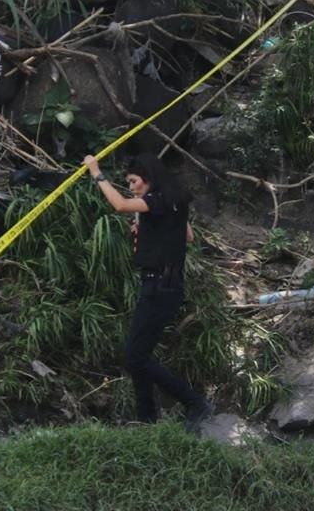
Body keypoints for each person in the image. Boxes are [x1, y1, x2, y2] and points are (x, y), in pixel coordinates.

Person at [83, 152, 213, 431]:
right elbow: (187, 236)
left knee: (135, 357)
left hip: (159, 288)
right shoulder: (173, 201)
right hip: (165, 287)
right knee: (138, 356)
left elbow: (119, 205)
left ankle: (195, 403)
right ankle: (146, 420)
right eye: (129, 183)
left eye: (134, 182)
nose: (131, 188)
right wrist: (150, 228)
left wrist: (96, 171)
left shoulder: (156, 200)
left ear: (149, 179)